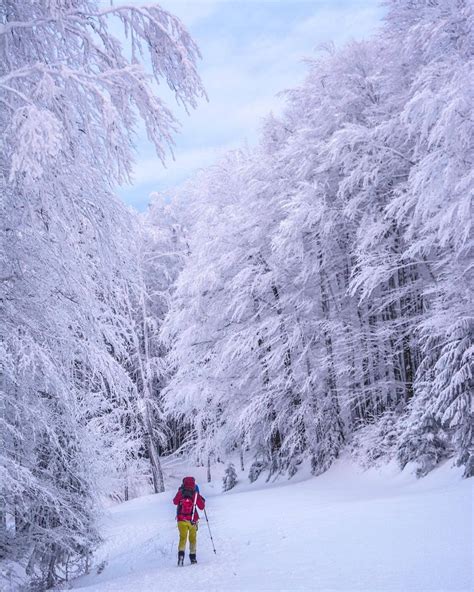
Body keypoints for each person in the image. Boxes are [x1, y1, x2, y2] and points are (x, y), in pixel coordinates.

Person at [173, 476, 205, 565]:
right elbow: (202, 507)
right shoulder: (195, 493)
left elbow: (175, 502)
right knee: (192, 539)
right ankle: (193, 558)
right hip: (192, 520)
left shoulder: (181, 492)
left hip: (181, 519)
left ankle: (181, 557)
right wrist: (201, 499)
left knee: (182, 538)